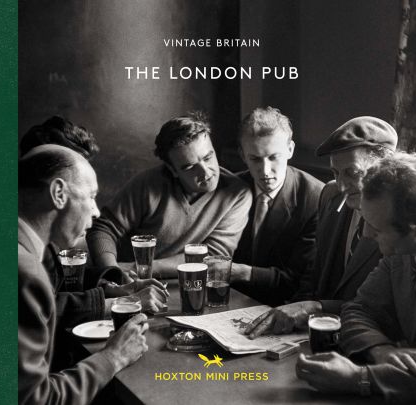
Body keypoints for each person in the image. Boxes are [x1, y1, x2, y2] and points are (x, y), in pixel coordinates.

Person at [296, 152, 416, 403]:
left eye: (377, 228)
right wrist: (381, 350)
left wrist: (361, 378)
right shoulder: (401, 250)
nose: (366, 235)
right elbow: (358, 309)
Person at [18, 145, 150, 404]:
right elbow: (37, 400)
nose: (97, 210)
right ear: (58, 193)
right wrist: (114, 357)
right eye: (91, 196)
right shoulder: (26, 274)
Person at [245, 116, 397, 337]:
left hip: (367, 336)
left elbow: (386, 309)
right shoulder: (331, 195)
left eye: (352, 173)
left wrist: (314, 309)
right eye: (336, 173)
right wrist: (289, 314)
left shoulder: (399, 219)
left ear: (384, 168)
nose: (343, 186)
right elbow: (314, 275)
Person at [86, 112, 253, 278]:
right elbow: (104, 228)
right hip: (127, 282)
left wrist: (141, 268)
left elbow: (213, 258)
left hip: (187, 283)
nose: (205, 172)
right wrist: (112, 272)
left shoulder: (237, 194)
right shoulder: (148, 184)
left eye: (208, 157)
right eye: (189, 167)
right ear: (172, 169)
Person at [231, 106, 324, 306]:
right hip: (229, 302)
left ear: (290, 150)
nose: (265, 171)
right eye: (255, 159)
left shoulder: (316, 198)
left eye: (274, 157)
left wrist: (240, 272)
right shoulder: (229, 190)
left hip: (282, 307)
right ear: (242, 155)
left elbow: (298, 281)